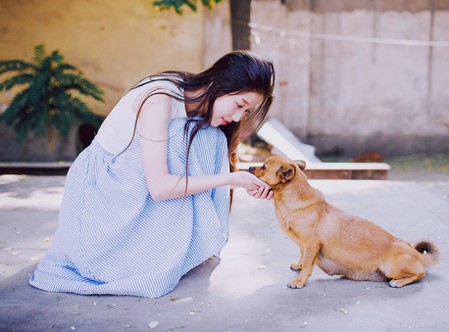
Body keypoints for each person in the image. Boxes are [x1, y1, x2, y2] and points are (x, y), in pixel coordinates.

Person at [29, 51, 275, 298]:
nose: (236, 117)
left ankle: (193, 241)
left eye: (246, 112)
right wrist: (232, 180)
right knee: (185, 136)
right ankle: (150, 248)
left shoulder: (196, 103)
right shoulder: (161, 99)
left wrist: (239, 179)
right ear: (219, 83)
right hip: (103, 188)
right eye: (239, 105)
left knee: (209, 137)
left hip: (133, 180)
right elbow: (160, 187)